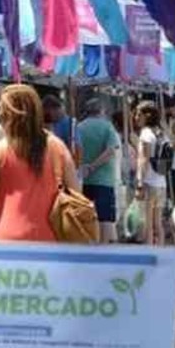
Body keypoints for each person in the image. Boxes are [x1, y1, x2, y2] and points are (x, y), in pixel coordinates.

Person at [0, 85, 78, 242]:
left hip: (7, 239)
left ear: (5, 114)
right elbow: (76, 194)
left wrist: (2, 198)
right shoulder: (58, 147)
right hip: (51, 238)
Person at [77, 99, 121, 244]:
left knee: (86, 217)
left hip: (83, 179)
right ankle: (104, 252)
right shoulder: (108, 127)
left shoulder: (79, 127)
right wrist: (93, 166)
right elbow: (110, 151)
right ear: (102, 111)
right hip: (104, 180)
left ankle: (88, 248)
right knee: (105, 218)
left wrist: (85, 167)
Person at [134, 101, 169, 246]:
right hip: (161, 182)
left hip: (149, 182)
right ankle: (160, 252)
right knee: (158, 223)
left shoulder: (146, 134)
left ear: (146, 116)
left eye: (138, 114)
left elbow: (144, 158)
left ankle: (150, 255)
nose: (136, 117)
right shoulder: (161, 133)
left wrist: (140, 182)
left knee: (148, 224)